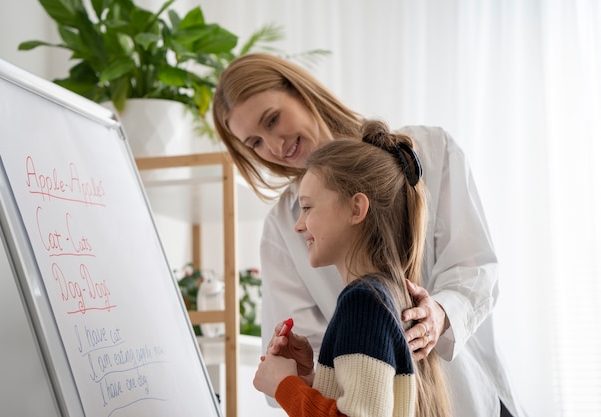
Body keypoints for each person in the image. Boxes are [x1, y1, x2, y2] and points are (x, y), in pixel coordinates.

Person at [212, 53, 524, 417]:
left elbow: (476, 268)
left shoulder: (427, 153)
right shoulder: (283, 228)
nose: (276, 147)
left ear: (300, 91)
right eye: (256, 143)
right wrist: (306, 372)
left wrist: (439, 314)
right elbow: (331, 381)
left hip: (472, 401)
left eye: (273, 119)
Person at [253, 120, 451, 416]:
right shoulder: (384, 296)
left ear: (356, 209)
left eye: (307, 207)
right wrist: (310, 379)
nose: (298, 225)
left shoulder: (362, 303)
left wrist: (285, 386)